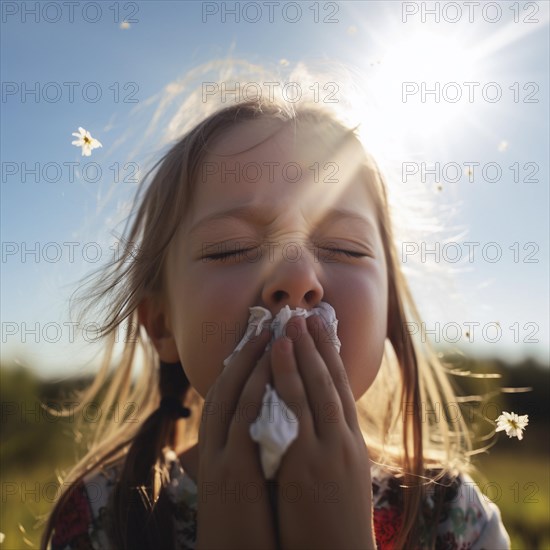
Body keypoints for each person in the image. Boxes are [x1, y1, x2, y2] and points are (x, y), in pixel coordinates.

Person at [41, 85, 511, 549]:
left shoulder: (452, 517)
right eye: (231, 249)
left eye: (344, 249)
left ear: (388, 314)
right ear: (162, 323)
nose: (297, 277)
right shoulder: (104, 520)